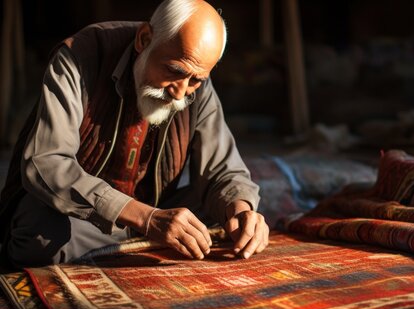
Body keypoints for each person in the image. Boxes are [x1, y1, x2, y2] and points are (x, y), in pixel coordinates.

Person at [0, 0, 269, 268]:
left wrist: (241, 210)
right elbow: (47, 162)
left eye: (196, 80)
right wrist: (144, 218)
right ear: (144, 39)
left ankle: (136, 236)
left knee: (223, 210)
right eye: (174, 71)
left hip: (158, 206)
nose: (180, 92)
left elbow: (222, 170)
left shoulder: (193, 82)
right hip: (85, 218)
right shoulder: (79, 57)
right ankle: (136, 234)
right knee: (39, 236)